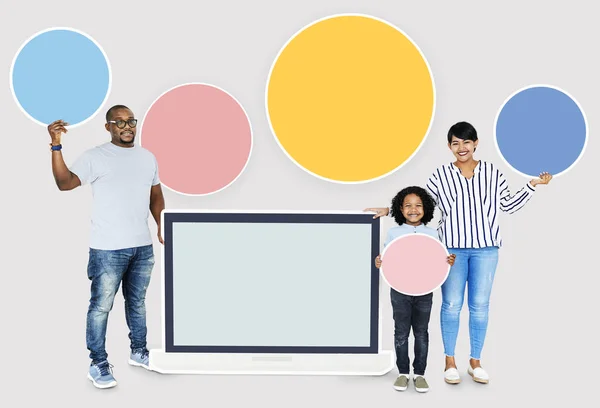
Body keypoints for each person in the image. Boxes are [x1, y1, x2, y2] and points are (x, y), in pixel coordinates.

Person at [365, 121, 552, 385]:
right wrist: (388, 209)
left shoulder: (491, 172)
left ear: (475, 143)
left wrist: (531, 186)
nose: (461, 148)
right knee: (451, 306)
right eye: (455, 143)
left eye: (466, 142)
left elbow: (507, 205)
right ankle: (449, 361)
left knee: (480, 307)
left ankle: (475, 362)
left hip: (486, 250)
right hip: (451, 250)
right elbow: (420, 203)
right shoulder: (440, 175)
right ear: (449, 146)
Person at [47, 105, 165, 389]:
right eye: (120, 122)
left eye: (131, 121)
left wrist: (162, 223)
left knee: (137, 304)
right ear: (108, 127)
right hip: (107, 250)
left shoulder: (147, 157)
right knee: (100, 307)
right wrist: (56, 145)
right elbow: (65, 183)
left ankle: (139, 352)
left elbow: (156, 195)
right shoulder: (95, 156)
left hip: (142, 248)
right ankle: (98, 364)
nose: (127, 127)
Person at [373, 186, 456, 393]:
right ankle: (402, 373)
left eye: (418, 205)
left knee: (421, 332)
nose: (413, 210)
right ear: (400, 209)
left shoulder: (432, 232)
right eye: (408, 206)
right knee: (401, 332)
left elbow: (436, 258)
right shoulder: (394, 232)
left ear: (425, 208)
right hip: (399, 289)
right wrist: (379, 261)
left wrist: (448, 260)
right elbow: (387, 257)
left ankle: (419, 374)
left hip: (424, 290)